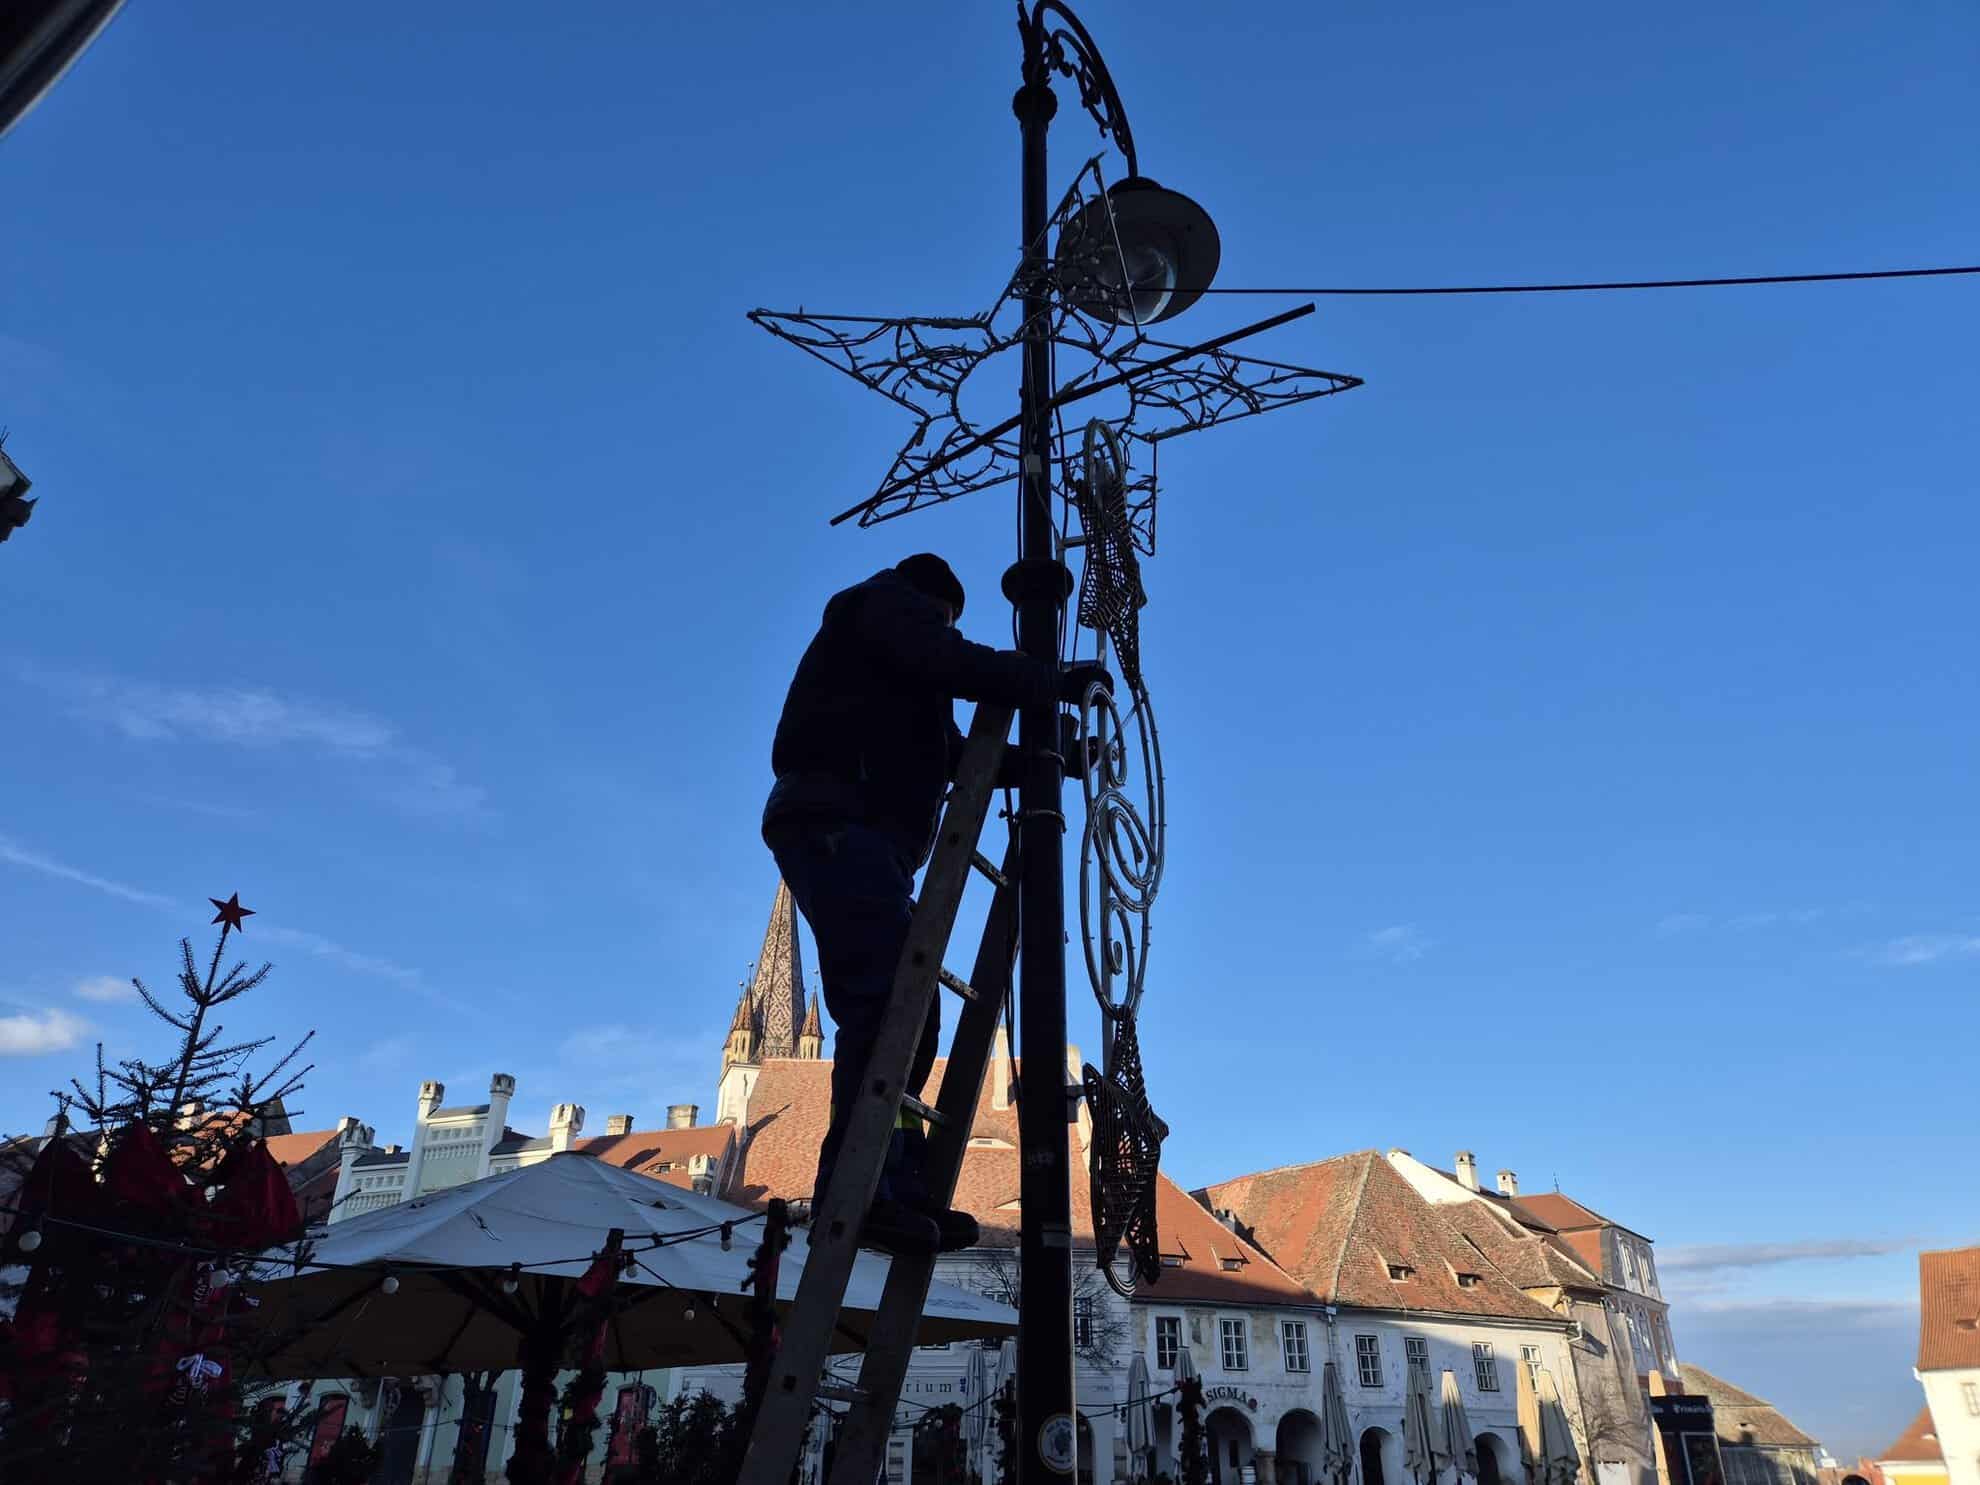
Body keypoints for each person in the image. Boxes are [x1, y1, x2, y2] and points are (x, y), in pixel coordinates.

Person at [762, 554, 1110, 1256]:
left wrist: (1051, 760)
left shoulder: (893, 675)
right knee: (886, 1004)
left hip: (858, 833)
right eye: (946, 619)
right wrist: (1051, 681)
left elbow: (956, 753)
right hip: (839, 821)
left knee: (910, 1020)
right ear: (932, 600)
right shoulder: (882, 605)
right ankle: (857, 1192)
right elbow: (949, 660)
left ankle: (890, 1184)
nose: (945, 630)